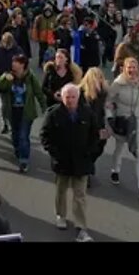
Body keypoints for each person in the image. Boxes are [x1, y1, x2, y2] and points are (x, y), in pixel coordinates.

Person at [40, 82, 104, 242]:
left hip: (81, 161)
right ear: (62, 97)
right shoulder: (53, 114)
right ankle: (60, 215)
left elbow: (95, 134)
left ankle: (81, 227)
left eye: (73, 97)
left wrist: (90, 152)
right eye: (67, 97)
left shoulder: (87, 113)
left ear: (78, 97)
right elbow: (44, 135)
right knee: (61, 190)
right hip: (62, 161)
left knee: (80, 195)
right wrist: (54, 153)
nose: (70, 100)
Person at [106, 56, 139, 201]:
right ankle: (115, 169)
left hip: (137, 121)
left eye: (134, 67)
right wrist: (109, 117)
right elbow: (109, 101)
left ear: (138, 69)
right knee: (119, 147)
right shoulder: (118, 84)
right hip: (122, 120)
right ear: (124, 69)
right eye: (129, 67)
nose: (132, 70)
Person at [0, 54, 47, 172]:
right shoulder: (8, 75)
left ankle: (24, 160)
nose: (13, 64)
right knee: (15, 135)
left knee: (24, 136)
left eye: (16, 62)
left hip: (26, 112)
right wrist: (4, 78)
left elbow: (38, 92)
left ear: (22, 65)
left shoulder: (30, 77)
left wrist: (44, 106)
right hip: (12, 111)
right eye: (13, 62)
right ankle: (18, 150)